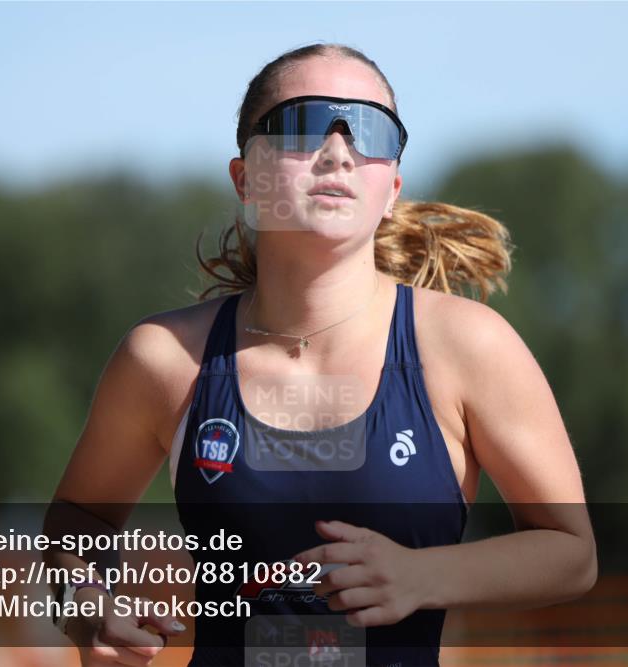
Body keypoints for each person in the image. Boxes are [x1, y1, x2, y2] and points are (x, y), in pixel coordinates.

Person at [44, 42, 597, 667]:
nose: (338, 150)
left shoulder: (467, 345)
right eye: (303, 124)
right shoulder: (166, 359)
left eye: (369, 129)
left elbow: (570, 551)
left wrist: (421, 575)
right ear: (245, 178)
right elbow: (78, 518)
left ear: (391, 187)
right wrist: (85, 602)